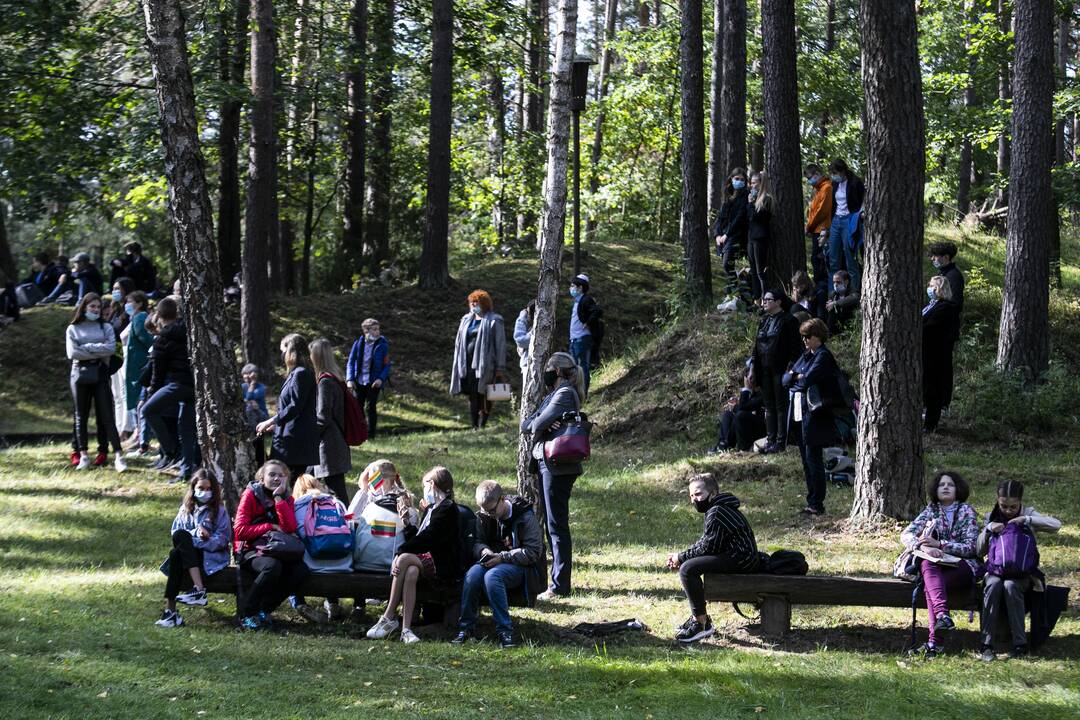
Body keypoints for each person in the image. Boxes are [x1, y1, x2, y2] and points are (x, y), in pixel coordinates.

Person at [366, 466, 462, 644]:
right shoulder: (434, 507)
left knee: (403, 559)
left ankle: (388, 616)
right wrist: (407, 523)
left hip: (442, 564)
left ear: (432, 484)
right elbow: (420, 537)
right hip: (428, 560)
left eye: (425, 486)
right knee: (410, 572)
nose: (425, 491)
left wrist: (400, 552)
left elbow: (428, 539)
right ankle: (406, 629)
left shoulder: (447, 509)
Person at [667, 474, 761, 643]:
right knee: (688, 565)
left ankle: (701, 623)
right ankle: (700, 619)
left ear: (713, 493)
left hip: (741, 560)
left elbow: (708, 547)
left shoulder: (718, 511)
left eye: (698, 494)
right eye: (691, 496)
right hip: (736, 556)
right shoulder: (718, 508)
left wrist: (680, 558)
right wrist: (681, 556)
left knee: (688, 570)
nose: (694, 500)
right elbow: (708, 542)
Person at [521, 352, 584, 600]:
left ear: (557, 371)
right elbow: (526, 424)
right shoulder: (553, 395)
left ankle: (560, 586)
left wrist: (543, 422)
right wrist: (543, 421)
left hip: (558, 466)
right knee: (552, 524)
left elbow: (535, 425)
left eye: (548, 369)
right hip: (549, 464)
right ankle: (557, 582)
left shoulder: (565, 393)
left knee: (557, 526)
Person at [976, 480, 1062, 661]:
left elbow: (1056, 525)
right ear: (997, 500)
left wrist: (1026, 519)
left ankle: (1020, 644)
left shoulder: (1027, 514)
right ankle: (986, 645)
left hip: (1023, 574)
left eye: (1013, 507)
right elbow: (979, 551)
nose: (1008, 510)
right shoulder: (990, 516)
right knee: (993, 585)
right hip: (995, 571)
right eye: (1003, 506)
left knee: (1010, 587)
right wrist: (988, 529)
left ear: (1020, 502)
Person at [452, 480, 544, 648]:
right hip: (491, 560)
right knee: (472, 576)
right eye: (485, 510)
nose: (490, 514)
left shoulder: (525, 516)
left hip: (519, 566)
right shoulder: (484, 514)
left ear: (502, 499)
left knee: (493, 577)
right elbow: (477, 542)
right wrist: (483, 551)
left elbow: (533, 552)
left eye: (493, 510)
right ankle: (466, 628)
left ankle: (505, 632)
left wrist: (502, 557)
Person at [900, 471, 981, 657]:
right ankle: (942, 619)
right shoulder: (931, 510)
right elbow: (906, 534)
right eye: (941, 484)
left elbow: (971, 547)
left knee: (931, 586)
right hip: (937, 565)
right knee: (927, 566)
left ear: (957, 489)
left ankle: (935, 641)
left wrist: (941, 545)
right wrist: (922, 546)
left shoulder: (966, 511)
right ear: (935, 490)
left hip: (965, 565)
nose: (945, 487)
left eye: (950, 485)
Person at [233, 461, 310, 630]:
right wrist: (270, 526)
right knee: (272, 566)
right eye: (272, 474)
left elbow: (290, 527)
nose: (276, 478)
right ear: (262, 478)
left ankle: (263, 610)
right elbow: (240, 530)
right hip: (251, 551)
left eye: (281, 475)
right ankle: (246, 613)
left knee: (301, 570)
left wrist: (278, 499)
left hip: (278, 550)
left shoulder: (287, 499)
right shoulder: (250, 495)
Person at [155, 470, 232, 628]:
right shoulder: (185, 509)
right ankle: (196, 592)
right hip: (189, 557)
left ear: (214, 490)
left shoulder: (219, 511)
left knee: (176, 553)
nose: (204, 492)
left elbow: (223, 540)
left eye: (208, 489)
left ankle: (172, 611)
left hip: (210, 559)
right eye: (201, 488)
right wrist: (196, 534)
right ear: (193, 488)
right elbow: (176, 533)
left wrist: (202, 540)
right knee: (176, 551)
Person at [784, 319, 841, 515]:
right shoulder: (808, 355)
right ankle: (812, 500)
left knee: (813, 459)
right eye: (803, 336)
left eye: (808, 336)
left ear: (818, 337)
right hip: (802, 413)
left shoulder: (823, 356)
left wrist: (796, 376)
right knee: (806, 459)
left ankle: (817, 503)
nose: (804, 340)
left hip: (816, 415)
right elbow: (785, 380)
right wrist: (795, 376)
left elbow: (806, 380)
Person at [66, 292, 127, 472]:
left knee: (107, 415)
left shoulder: (105, 326)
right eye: (92, 306)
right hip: (79, 373)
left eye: (98, 307)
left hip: (100, 373)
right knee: (81, 416)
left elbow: (110, 349)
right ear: (84, 307)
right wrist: (97, 350)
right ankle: (83, 454)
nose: (95, 309)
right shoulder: (72, 328)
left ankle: (118, 455)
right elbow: (73, 353)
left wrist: (87, 347)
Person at [142, 296, 200, 483]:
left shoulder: (162, 339)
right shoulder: (189, 330)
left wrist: (151, 394)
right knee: (186, 429)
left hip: (179, 384)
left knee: (147, 410)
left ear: (158, 315)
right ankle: (186, 471)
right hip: (195, 385)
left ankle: (171, 450)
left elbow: (157, 376)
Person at [256, 333, 319, 479]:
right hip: (288, 435)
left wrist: (271, 420)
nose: (282, 354)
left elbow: (295, 407)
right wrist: (277, 424)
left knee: (289, 481)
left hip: (295, 440)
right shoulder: (296, 373)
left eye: (283, 349)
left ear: (291, 349)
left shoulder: (301, 374)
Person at [292, 474, 353, 624]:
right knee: (331, 548)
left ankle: (299, 604)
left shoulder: (297, 507)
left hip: (310, 566)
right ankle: (333, 603)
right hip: (343, 564)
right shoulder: (337, 503)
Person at [752, 289, 802, 454]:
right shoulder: (764, 320)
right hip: (764, 368)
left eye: (768, 299)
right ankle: (770, 439)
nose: (764, 302)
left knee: (781, 406)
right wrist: (752, 368)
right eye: (764, 299)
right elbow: (756, 347)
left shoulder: (789, 320)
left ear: (779, 301)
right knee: (768, 406)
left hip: (781, 369)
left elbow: (796, 347)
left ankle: (781, 442)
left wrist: (792, 366)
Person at [449, 290, 507, 429]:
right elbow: (459, 343)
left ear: (485, 304)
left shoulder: (494, 320)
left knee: (486, 394)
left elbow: (500, 344)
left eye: (477, 302)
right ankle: (474, 425)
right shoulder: (466, 320)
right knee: (472, 394)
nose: (473, 305)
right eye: (472, 302)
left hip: (487, 365)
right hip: (467, 364)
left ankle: (483, 423)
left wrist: (500, 367)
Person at [308, 338, 352, 502]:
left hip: (329, 444)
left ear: (316, 357)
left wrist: (308, 435)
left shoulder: (325, 382)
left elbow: (323, 417)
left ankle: (346, 524)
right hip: (335, 442)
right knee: (327, 486)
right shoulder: (336, 378)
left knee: (336, 490)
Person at [922, 276, 960, 434]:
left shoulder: (946, 307)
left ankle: (931, 423)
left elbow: (930, 328)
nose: (930, 289)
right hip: (926, 353)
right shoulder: (931, 305)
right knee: (926, 387)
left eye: (932, 286)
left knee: (933, 389)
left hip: (936, 355)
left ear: (940, 289)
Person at [345, 318, 391, 438]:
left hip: (373, 381)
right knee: (358, 408)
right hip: (359, 380)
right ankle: (360, 433)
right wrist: (350, 379)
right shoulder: (358, 344)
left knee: (370, 407)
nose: (378, 332)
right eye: (374, 330)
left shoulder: (382, 345)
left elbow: (387, 365)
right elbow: (351, 362)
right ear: (366, 331)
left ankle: (371, 435)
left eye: (378, 329)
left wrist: (380, 379)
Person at [122, 291, 154, 457]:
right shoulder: (136, 318)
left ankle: (142, 441)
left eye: (130, 301)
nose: (126, 304)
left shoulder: (139, 318)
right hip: (135, 365)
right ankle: (138, 437)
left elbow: (146, 338)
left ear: (139, 303)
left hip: (139, 365)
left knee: (139, 401)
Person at [826, 160, 865, 293]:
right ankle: (833, 293)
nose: (833, 176)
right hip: (836, 220)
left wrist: (860, 214)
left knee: (850, 258)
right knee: (833, 259)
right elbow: (833, 204)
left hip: (850, 220)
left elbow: (863, 200)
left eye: (835, 173)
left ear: (843, 171)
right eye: (832, 173)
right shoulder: (835, 183)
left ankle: (854, 292)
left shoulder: (855, 183)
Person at [709, 368, 765, 454]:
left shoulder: (762, 393)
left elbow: (743, 407)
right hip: (750, 424)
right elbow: (745, 407)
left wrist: (746, 389)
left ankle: (726, 445)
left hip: (762, 428)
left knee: (739, 415)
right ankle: (722, 444)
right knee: (728, 414)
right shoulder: (753, 393)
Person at [713, 167, 750, 294]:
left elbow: (740, 218)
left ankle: (735, 291)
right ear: (731, 179)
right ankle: (731, 294)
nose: (739, 181)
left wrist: (727, 234)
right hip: (723, 237)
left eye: (742, 179)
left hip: (736, 236)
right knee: (728, 266)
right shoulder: (728, 197)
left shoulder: (746, 197)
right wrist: (717, 234)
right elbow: (719, 218)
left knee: (727, 264)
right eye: (736, 179)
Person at [568, 274, 602, 395]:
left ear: (580, 288)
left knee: (582, 367)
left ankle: (583, 393)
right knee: (575, 367)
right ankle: (577, 393)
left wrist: (588, 322)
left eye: (573, 286)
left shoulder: (586, 299)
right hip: (574, 339)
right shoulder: (578, 301)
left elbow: (597, 310)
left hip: (582, 338)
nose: (571, 288)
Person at [803, 164, 833, 287]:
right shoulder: (818, 189)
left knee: (820, 260)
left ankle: (823, 287)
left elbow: (821, 211)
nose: (810, 181)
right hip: (816, 229)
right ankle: (819, 286)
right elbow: (813, 211)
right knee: (816, 260)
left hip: (822, 229)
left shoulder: (827, 188)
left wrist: (809, 226)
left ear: (816, 174)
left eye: (810, 178)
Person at [745, 172, 773, 301]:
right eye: (751, 183)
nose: (752, 186)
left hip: (760, 239)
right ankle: (756, 299)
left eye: (754, 183)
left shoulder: (767, 199)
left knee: (760, 271)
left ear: (761, 184)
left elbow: (757, 218)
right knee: (753, 270)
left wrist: (751, 204)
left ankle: (765, 299)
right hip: (751, 238)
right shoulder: (754, 199)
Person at [241, 363, 269, 465]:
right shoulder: (242, 386)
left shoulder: (262, 387)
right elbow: (247, 399)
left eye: (250, 373)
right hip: (249, 418)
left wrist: (252, 384)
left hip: (261, 417)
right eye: (245, 374)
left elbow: (248, 398)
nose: (247, 376)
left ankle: (261, 462)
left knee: (260, 443)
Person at [929, 241, 964, 314]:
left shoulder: (954, 276)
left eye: (935, 256)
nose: (932, 258)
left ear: (946, 257)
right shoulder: (942, 272)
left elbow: (955, 304)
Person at [825, 270, 860, 335]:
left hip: (851, 325)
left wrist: (835, 303)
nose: (835, 285)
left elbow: (854, 298)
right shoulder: (833, 295)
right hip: (837, 325)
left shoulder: (853, 291)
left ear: (846, 282)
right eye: (834, 282)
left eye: (838, 282)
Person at [513, 300, 535, 371]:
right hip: (527, 365)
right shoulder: (527, 323)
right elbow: (520, 341)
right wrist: (522, 318)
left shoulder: (539, 328)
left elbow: (521, 342)